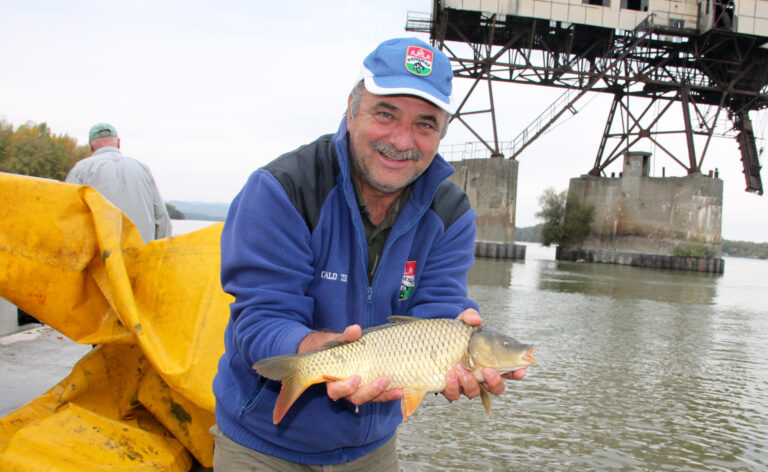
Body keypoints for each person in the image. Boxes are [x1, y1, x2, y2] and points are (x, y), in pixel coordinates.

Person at [212, 37, 527, 471]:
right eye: (385, 114)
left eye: (425, 124)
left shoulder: (451, 213)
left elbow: (437, 309)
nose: (402, 140)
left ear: (441, 133)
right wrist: (314, 352)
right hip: (262, 445)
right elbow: (261, 318)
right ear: (351, 108)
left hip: (372, 448)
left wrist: (458, 325)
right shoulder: (282, 190)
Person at [65, 123, 172, 243]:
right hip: (141, 254)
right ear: (119, 143)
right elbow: (161, 217)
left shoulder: (81, 170)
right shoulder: (142, 169)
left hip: (102, 256)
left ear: (91, 146)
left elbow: (67, 216)